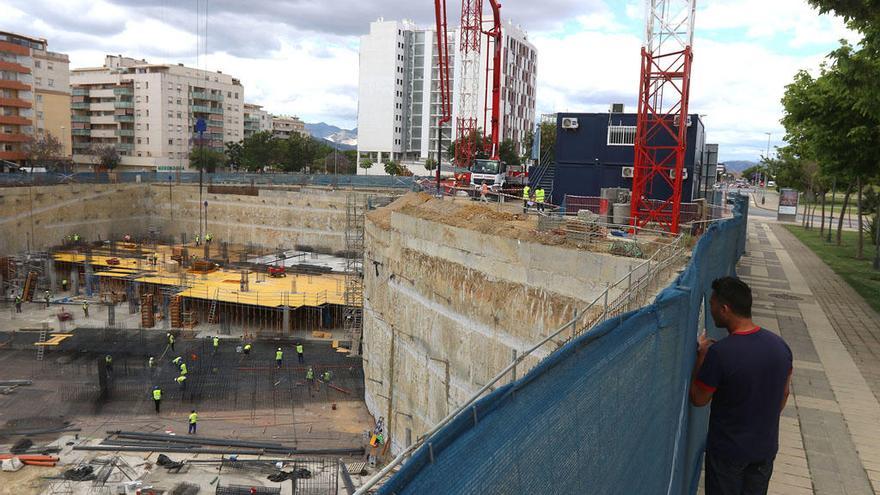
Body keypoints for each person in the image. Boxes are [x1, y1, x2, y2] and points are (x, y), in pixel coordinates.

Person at [690, 277, 792, 495]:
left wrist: (702, 357)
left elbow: (699, 398)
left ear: (725, 309)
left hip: (728, 454)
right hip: (764, 450)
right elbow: (784, 394)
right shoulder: (781, 347)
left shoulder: (720, 354)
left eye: (712, 306)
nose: (712, 311)